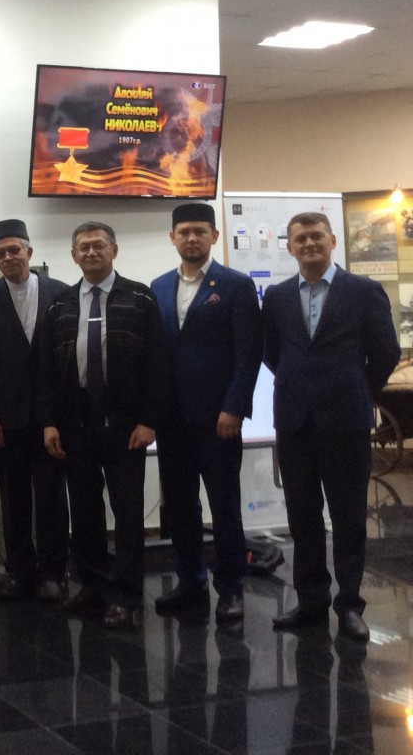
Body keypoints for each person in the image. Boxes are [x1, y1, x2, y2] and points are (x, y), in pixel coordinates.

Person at [262, 212, 400, 642]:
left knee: (349, 517)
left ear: (332, 240)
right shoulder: (277, 297)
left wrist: (358, 387)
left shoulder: (363, 291)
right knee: (302, 515)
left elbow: (387, 351)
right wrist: (300, 385)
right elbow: (271, 352)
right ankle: (311, 600)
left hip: (346, 421)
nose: (309, 244)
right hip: (295, 420)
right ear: (290, 247)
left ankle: (350, 605)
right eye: (300, 239)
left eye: (316, 237)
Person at [38, 221, 169, 630]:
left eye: (98, 245)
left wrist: (149, 420)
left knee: (127, 511)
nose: (91, 252)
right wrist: (49, 423)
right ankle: (93, 586)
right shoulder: (59, 304)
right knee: (84, 508)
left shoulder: (140, 298)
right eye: (84, 247)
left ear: (114, 249)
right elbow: (45, 370)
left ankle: (126, 595)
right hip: (75, 419)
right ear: (73, 255)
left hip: (126, 421)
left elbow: (158, 365)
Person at [150, 204, 263, 623]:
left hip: (219, 420)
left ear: (214, 236)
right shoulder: (159, 286)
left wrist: (234, 406)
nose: (191, 238)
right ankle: (191, 582)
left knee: (224, 507)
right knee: (181, 507)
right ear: (172, 238)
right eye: (184, 231)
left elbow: (248, 353)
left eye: (200, 231)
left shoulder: (236, 285)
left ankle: (231, 589)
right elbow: (157, 354)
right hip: (173, 420)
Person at [0, 219, 71, 603]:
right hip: (5, 421)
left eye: (15, 250)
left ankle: (53, 574)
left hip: (51, 421)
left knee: (52, 498)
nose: (9, 257)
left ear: (29, 251)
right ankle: (19, 572)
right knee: (13, 500)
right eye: (1, 253)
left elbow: (68, 360)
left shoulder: (62, 293)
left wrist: (58, 417)